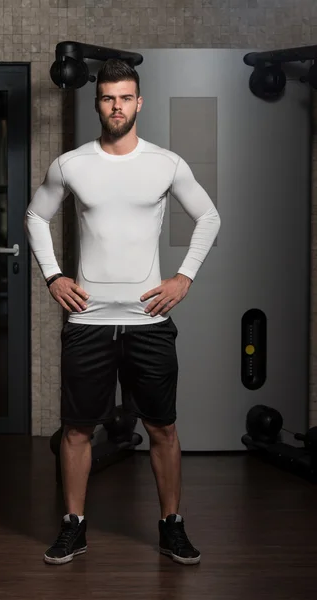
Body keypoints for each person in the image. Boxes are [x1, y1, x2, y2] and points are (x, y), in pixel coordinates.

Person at [25, 58, 221, 566]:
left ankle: (171, 525)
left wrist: (184, 276)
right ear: (98, 104)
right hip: (87, 320)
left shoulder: (166, 163)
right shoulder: (71, 164)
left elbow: (208, 216)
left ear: (140, 102)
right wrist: (53, 275)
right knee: (75, 430)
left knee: (163, 428)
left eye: (125, 97)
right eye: (109, 97)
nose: (117, 106)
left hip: (148, 321)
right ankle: (74, 526)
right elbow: (34, 215)